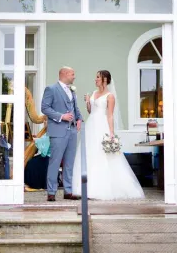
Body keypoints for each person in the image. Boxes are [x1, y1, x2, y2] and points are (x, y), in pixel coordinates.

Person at [72, 70, 144, 200]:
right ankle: (85, 188)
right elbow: (90, 111)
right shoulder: (94, 93)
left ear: (105, 79)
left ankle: (101, 188)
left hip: (102, 126)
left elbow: (110, 115)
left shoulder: (110, 96)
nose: (95, 79)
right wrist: (88, 101)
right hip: (91, 125)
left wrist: (111, 133)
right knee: (89, 153)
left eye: (98, 77)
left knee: (103, 155)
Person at [40, 67, 83, 202]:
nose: (74, 76)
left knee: (69, 163)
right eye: (72, 74)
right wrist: (61, 116)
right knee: (55, 162)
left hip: (72, 131)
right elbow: (44, 108)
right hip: (58, 131)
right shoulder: (51, 89)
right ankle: (51, 192)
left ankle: (68, 191)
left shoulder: (72, 90)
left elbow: (75, 108)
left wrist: (79, 119)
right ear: (64, 74)